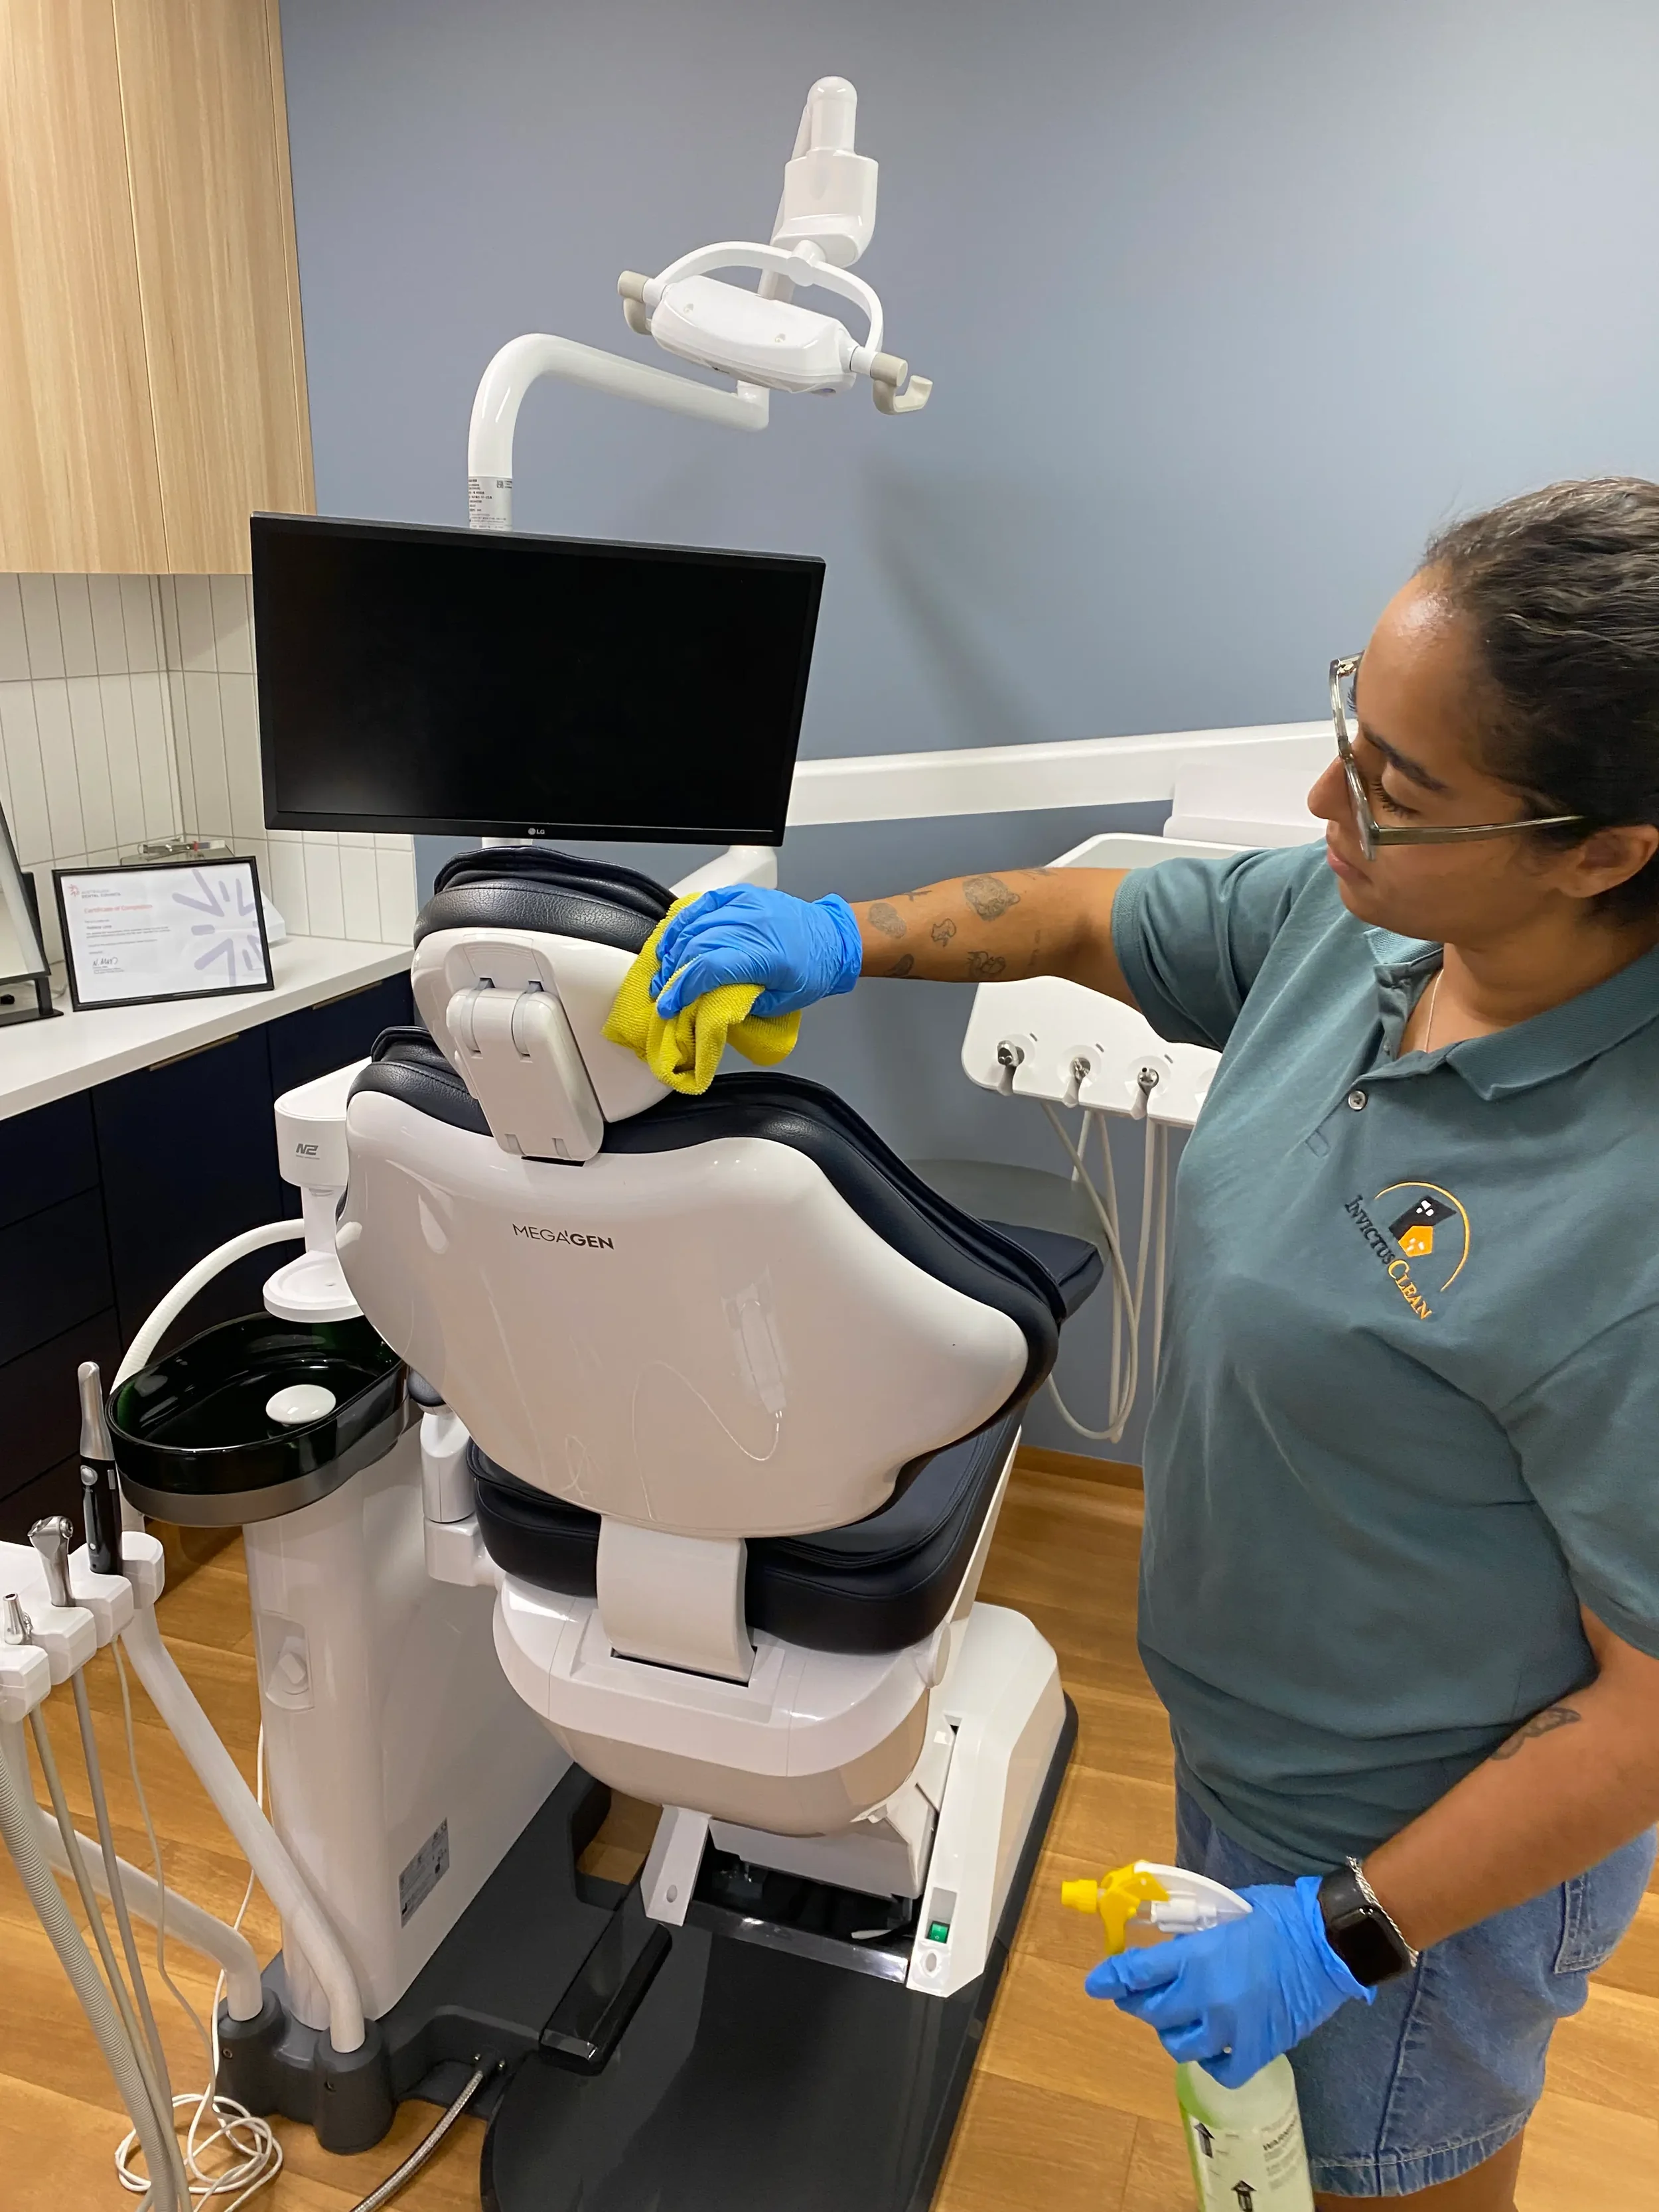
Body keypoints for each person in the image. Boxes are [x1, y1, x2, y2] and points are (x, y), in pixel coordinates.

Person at [648, 479, 1659, 2208]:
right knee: (1270, 2162)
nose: (1328, 799)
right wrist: (841, 939)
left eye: (1398, 785)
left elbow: (1644, 1711)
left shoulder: (1619, 1211)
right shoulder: (1356, 924)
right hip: (1259, 1739)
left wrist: (1344, 1930)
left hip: (1421, 1834)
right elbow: (1074, 920)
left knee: (1388, 2171)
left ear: (1600, 848)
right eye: (1349, 725)